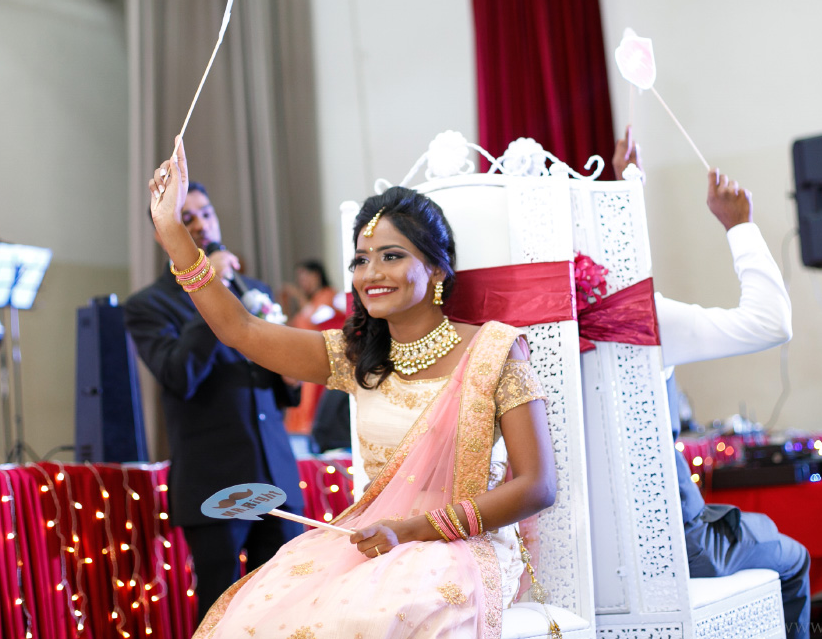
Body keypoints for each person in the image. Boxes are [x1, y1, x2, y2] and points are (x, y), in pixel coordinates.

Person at [148, 138, 557, 637]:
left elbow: (537, 486)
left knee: (370, 621)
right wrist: (173, 231)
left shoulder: (494, 351)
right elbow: (242, 330)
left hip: (460, 546)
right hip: (371, 540)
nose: (371, 273)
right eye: (361, 260)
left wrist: (412, 531)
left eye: (391, 255)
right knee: (252, 620)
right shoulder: (356, 356)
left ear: (436, 266)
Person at [614, 128, 811, 639]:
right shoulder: (641, 316)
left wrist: (625, 188)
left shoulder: (503, 325)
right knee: (793, 556)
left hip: (572, 547)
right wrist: (739, 226)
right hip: (674, 542)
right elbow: (771, 323)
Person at [123, 180, 306, 623]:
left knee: (285, 609)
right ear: (163, 234)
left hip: (275, 474)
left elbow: (281, 388)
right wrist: (209, 285)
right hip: (216, 485)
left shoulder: (252, 288)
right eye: (186, 219)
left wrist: (290, 372)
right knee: (221, 613)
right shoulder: (150, 305)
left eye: (206, 214)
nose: (201, 225)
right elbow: (178, 375)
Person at [281, 259, 345, 435]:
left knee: (311, 398)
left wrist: (297, 295)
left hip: (318, 355)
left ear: (316, 275)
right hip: (302, 356)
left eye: (305, 277)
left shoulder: (328, 296)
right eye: (299, 279)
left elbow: (315, 318)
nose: (302, 283)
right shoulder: (310, 301)